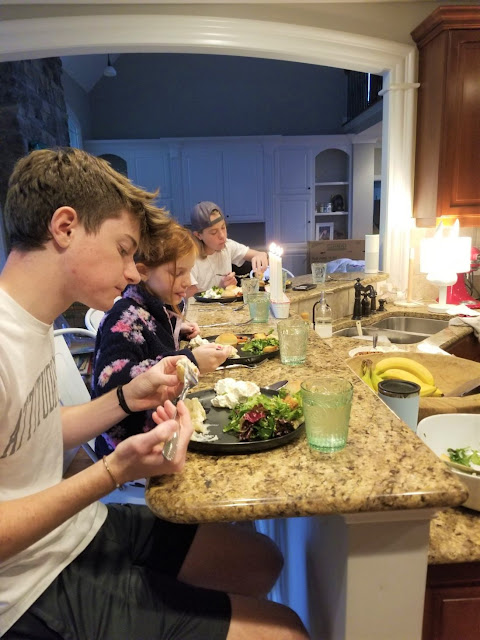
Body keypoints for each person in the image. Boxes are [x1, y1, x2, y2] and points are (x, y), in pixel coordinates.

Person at [0, 147, 309, 640]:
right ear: (65, 227)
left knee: (259, 559)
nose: (132, 272)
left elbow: (36, 430)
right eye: (124, 250)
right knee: (286, 631)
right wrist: (114, 471)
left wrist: (129, 397)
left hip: (74, 530)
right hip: (26, 590)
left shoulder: (32, 324)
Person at [92, 218, 233, 456]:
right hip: (130, 449)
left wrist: (179, 331)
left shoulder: (159, 309)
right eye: (177, 272)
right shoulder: (124, 317)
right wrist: (188, 360)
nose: (188, 281)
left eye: (189, 271)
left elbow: (152, 346)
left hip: (160, 426)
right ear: (143, 272)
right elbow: (112, 383)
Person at [185, 200, 269, 297]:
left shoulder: (227, 246)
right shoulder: (189, 260)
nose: (222, 236)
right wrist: (220, 289)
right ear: (198, 235)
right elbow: (192, 302)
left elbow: (256, 254)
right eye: (213, 232)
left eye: (223, 227)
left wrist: (261, 255)